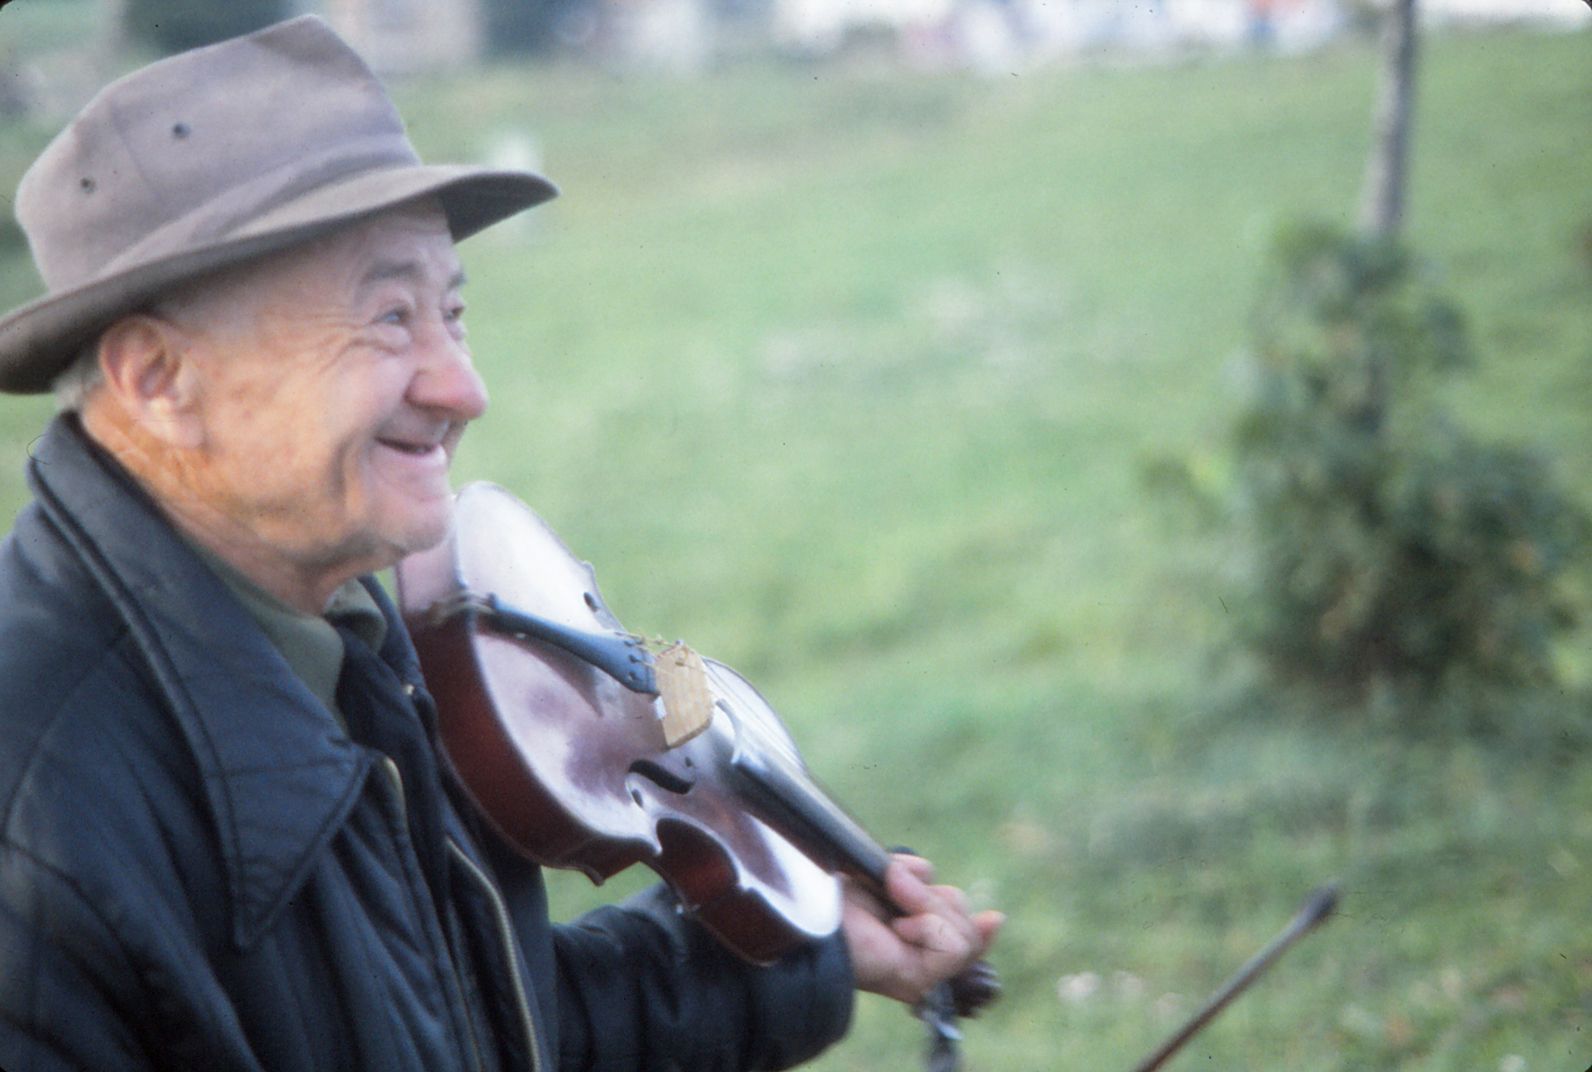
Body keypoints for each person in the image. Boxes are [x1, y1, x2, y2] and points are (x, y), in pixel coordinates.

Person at [0, 16, 1001, 1072]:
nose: (462, 389)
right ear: (158, 382)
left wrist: (811, 954)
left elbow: (468, 1024)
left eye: (453, 310)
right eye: (387, 318)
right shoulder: (35, 825)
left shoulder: (346, 628)